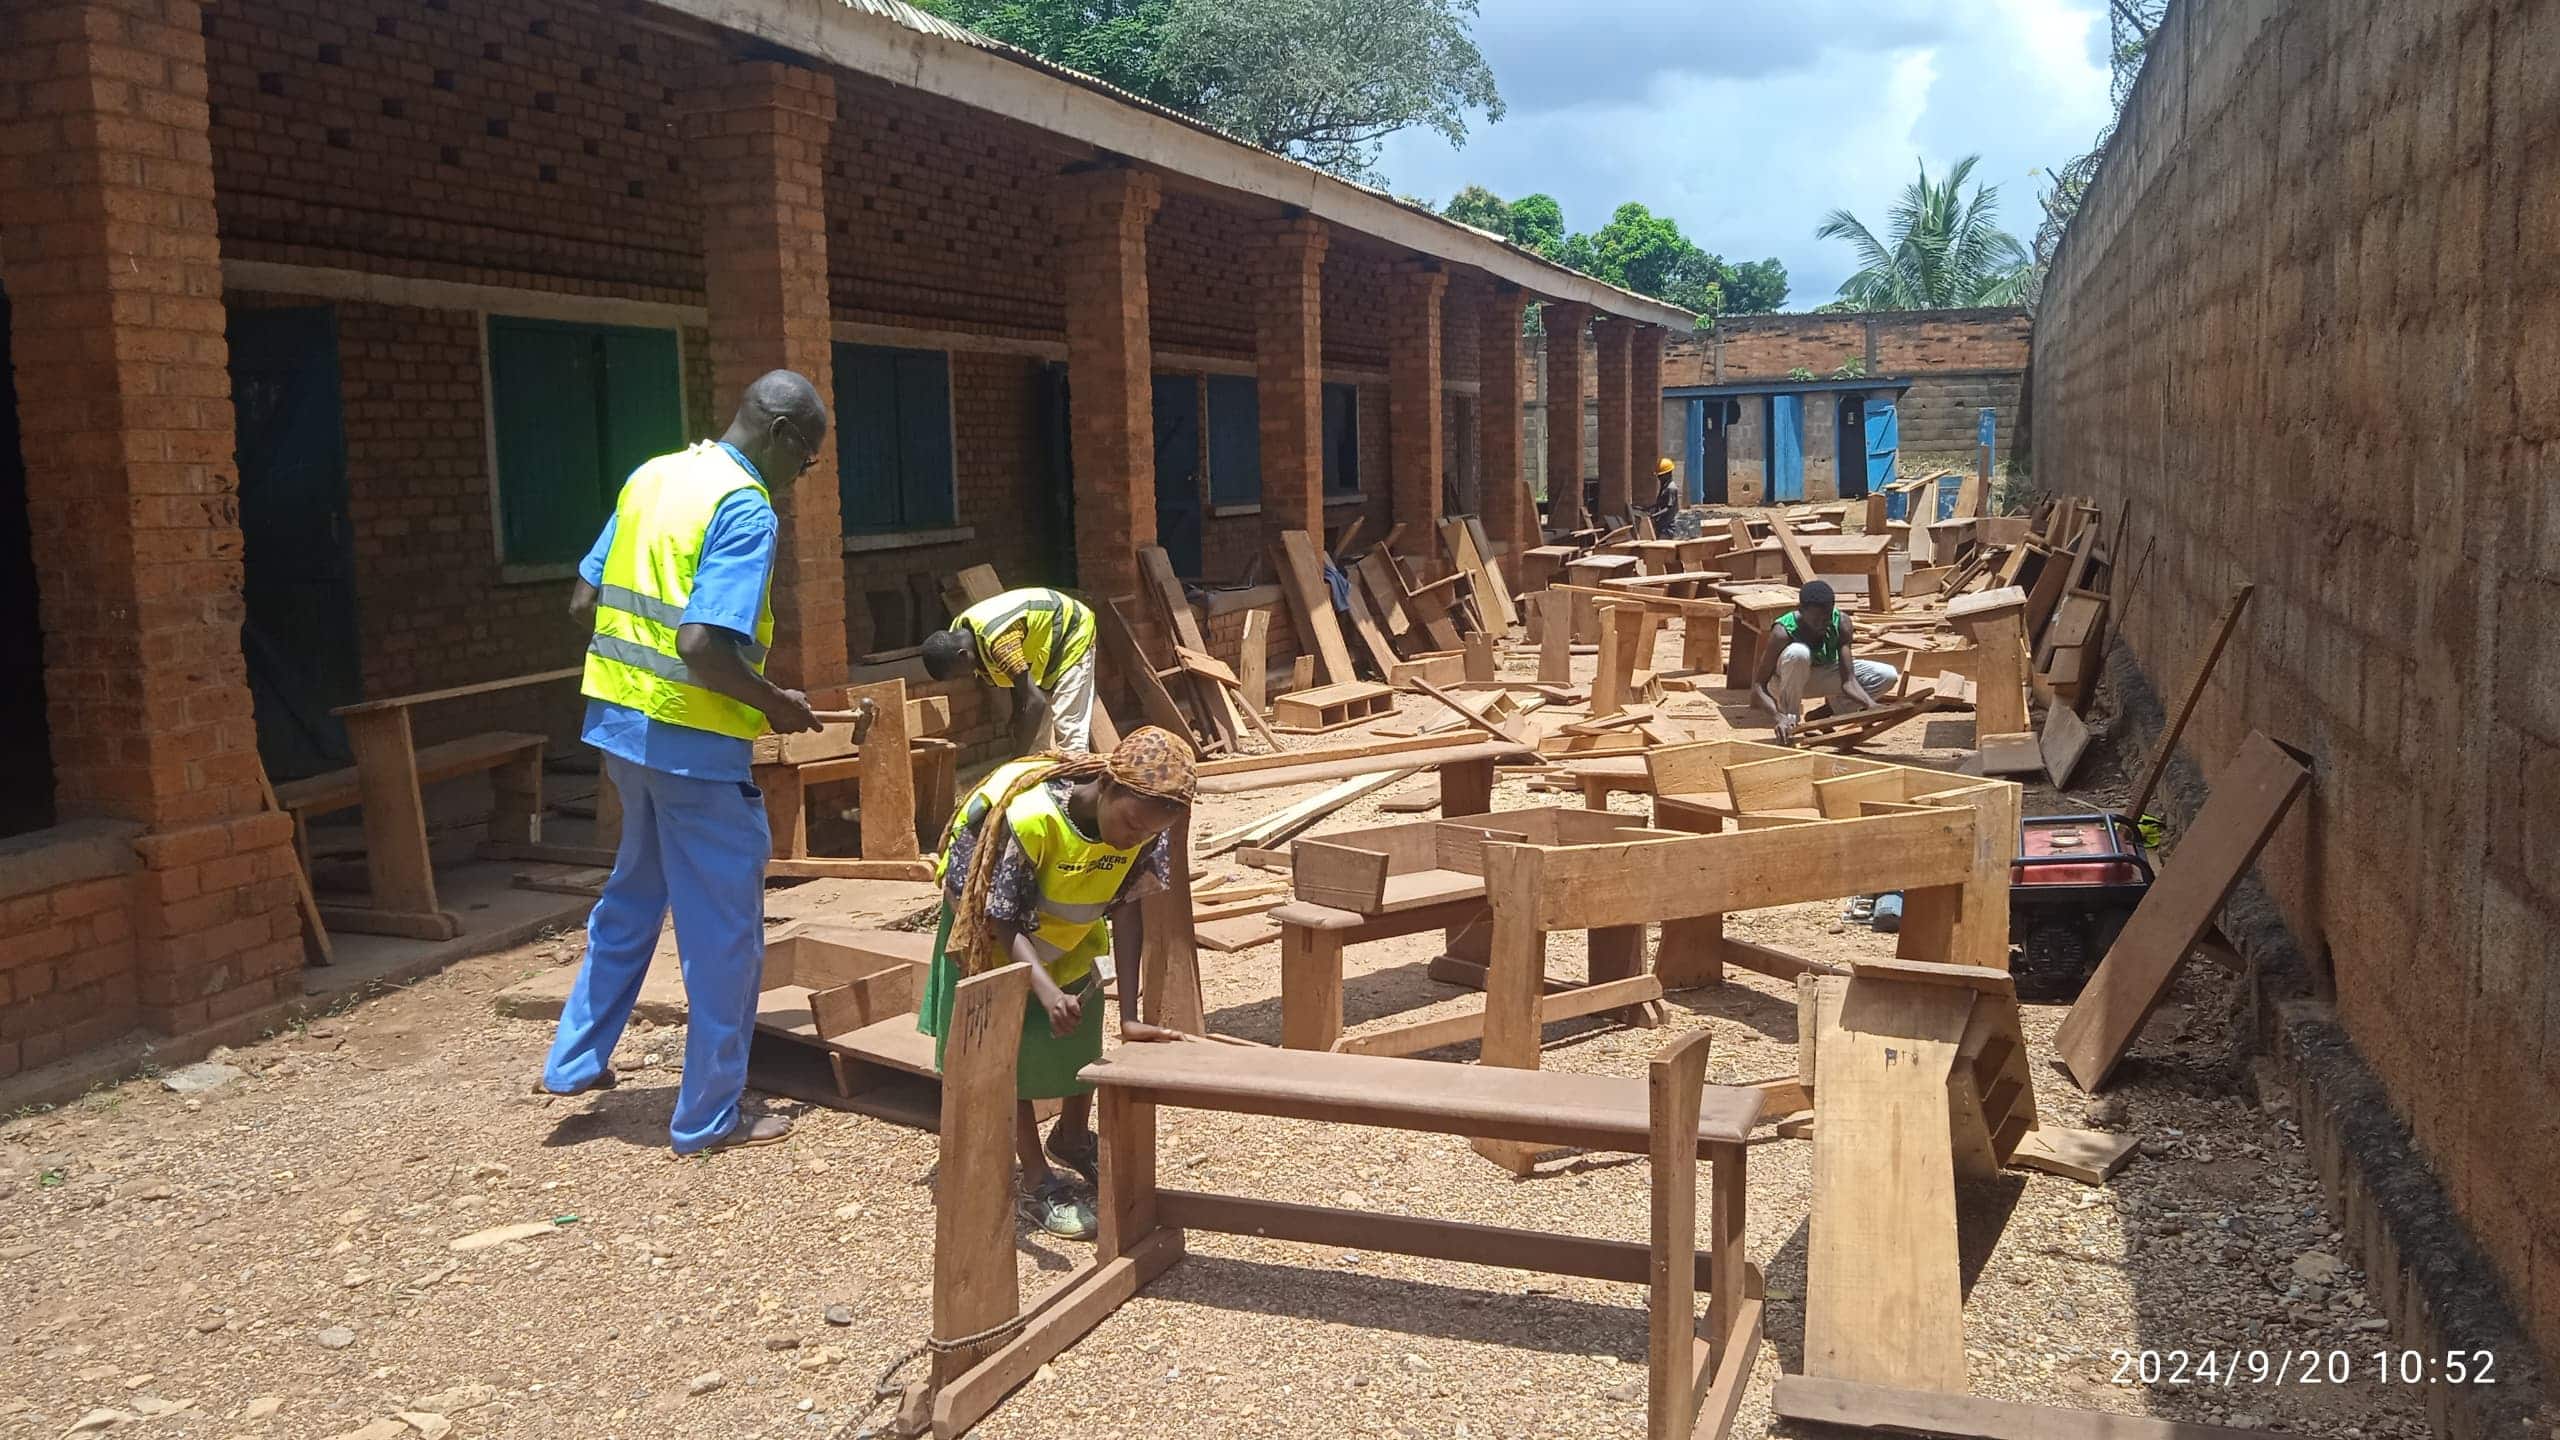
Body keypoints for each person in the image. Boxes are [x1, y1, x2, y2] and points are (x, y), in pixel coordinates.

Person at [537, 370, 846, 1156]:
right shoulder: (744, 507)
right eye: (805, 461)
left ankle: (574, 1061)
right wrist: (774, 703)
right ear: (779, 435)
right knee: (724, 932)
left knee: (632, 898)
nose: (801, 477)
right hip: (694, 747)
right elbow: (703, 643)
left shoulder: (656, 475)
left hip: (618, 730)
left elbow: (584, 601)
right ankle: (710, 1114)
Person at [916, 727, 1195, 1240]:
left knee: (1081, 1038)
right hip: (986, 934)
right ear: (1108, 785)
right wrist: (1042, 989)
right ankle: (1035, 1177)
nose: (1133, 839)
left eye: (1147, 834)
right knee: (1014, 1052)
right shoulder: (1032, 819)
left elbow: (1130, 910)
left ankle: (1069, 1138)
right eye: (1130, 823)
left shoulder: (1144, 829)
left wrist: (1129, 1016)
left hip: (1065, 935)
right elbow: (1000, 919)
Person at [920, 587, 1098, 756]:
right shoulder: (959, 634)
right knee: (1035, 742)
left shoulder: (999, 643)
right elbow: (1015, 673)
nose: (964, 678)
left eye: (958, 674)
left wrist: (1016, 759)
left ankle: (1084, 783)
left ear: (963, 656)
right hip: (1043, 647)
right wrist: (1017, 712)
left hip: (1071, 630)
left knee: (1070, 736)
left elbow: (1036, 702)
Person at [1752, 579, 1901, 745]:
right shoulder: (1783, 631)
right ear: (1801, 610)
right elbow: (1759, 686)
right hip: (1784, 682)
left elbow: (1848, 681)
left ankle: (1826, 713)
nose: (1822, 624)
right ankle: (1790, 723)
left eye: (1827, 618)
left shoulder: (1842, 623)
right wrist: (1778, 717)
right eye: (1816, 619)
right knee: (1798, 653)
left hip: (1820, 676)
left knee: (1887, 675)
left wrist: (1871, 705)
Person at [1644, 457, 1682, 531]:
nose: (1658, 478)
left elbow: (1668, 508)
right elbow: (1660, 503)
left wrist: (1654, 515)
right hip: (1663, 524)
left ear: (1668, 474)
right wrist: (1648, 508)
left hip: (1669, 526)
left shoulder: (1671, 488)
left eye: (1660, 476)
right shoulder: (1664, 487)